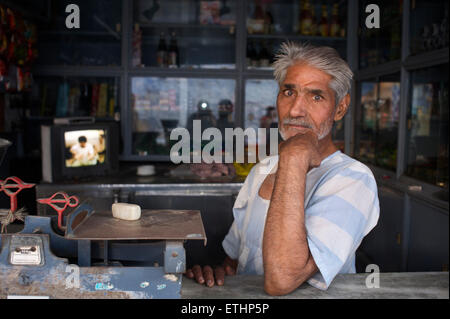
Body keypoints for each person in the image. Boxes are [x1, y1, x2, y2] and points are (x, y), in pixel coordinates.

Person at [185, 42, 380, 295]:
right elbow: (235, 261)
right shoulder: (261, 171)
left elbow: (282, 280)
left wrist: (294, 158)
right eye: (288, 93)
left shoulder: (352, 179)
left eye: (316, 96)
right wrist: (220, 276)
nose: (296, 110)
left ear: (340, 108)